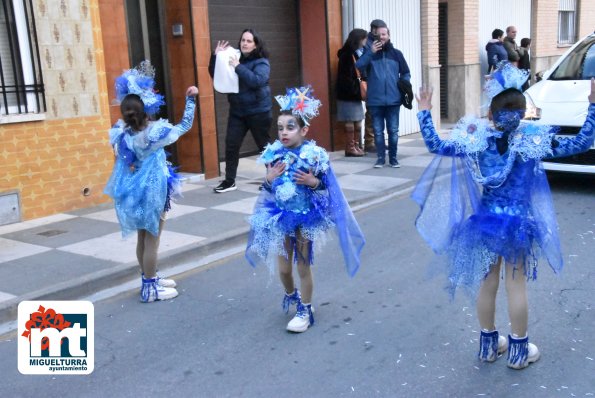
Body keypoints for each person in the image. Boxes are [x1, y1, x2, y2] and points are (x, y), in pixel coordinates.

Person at [413, 63, 595, 369]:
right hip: (517, 225)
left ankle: (487, 346)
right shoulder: (532, 138)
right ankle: (519, 352)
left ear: (490, 113)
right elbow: (580, 142)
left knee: (488, 284)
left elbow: (436, 145)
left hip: (485, 223)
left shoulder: (476, 137)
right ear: (523, 111)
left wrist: (425, 111)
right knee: (516, 285)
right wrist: (593, 107)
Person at [246, 86, 365, 333]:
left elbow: (328, 188)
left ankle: (306, 309)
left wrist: (313, 182)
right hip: (280, 217)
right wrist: (268, 179)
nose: (284, 132)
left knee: (302, 266)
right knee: (283, 269)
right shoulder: (273, 154)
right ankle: (293, 295)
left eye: (290, 127)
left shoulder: (314, 155)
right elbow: (267, 189)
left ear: (304, 130)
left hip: (306, 217)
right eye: (280, 128)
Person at [104, 61, 198, 303]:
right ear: (146, 110)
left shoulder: (121, 132)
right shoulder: (155, 133)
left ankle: (150, 276)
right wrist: (191, 100)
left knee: (142, 238)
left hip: (134, 190)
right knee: (152, 239)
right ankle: (149, 288)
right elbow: (185, 125)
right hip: (152, 190)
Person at [209, 28, 272, 193]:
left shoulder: (261, 62)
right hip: (237, 111)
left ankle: (274, 180)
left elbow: (256, 81)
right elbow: (216, 74)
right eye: (243, 40)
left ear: (256, 44)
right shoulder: (234, 57)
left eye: (249, 41)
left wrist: (237, 66)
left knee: (264, 147)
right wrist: (216, 56)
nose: (244, 43)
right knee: (231, 145)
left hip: (258, 110)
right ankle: (229, 181)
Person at [356, 24, 411, 168]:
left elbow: (406, 72)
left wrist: (403, 84)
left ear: (389, 36)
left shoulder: (397, 54)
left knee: (393, 131)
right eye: (378, 34)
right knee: (378, 133)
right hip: (375, 101)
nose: (381, 37)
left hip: (393, 100)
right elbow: (359, 66)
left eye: (384, 34)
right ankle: (380, 158)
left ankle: (393, 158)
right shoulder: (369, 54)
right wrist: (370, 52)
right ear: (374, 37)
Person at [336, 28, 368, 157]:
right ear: (359, 39)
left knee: (358, 120)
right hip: (348, 94)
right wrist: (356, 90)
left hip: (353, 94)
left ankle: (356, 145)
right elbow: (346, 78)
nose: (366, 41)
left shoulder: (355, 53)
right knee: (350, 120)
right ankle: (350, 148)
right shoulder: (347, 55)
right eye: (364, 38)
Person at [361, 19, 388, 153]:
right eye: (380, 31)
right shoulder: (367, 43)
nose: (382, 35)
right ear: (373, 30)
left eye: (385, 32)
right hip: (371, 82)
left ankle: (379, 141)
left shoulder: (384, 43)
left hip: (383, 83)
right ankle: (369, 143)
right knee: (372, 113)